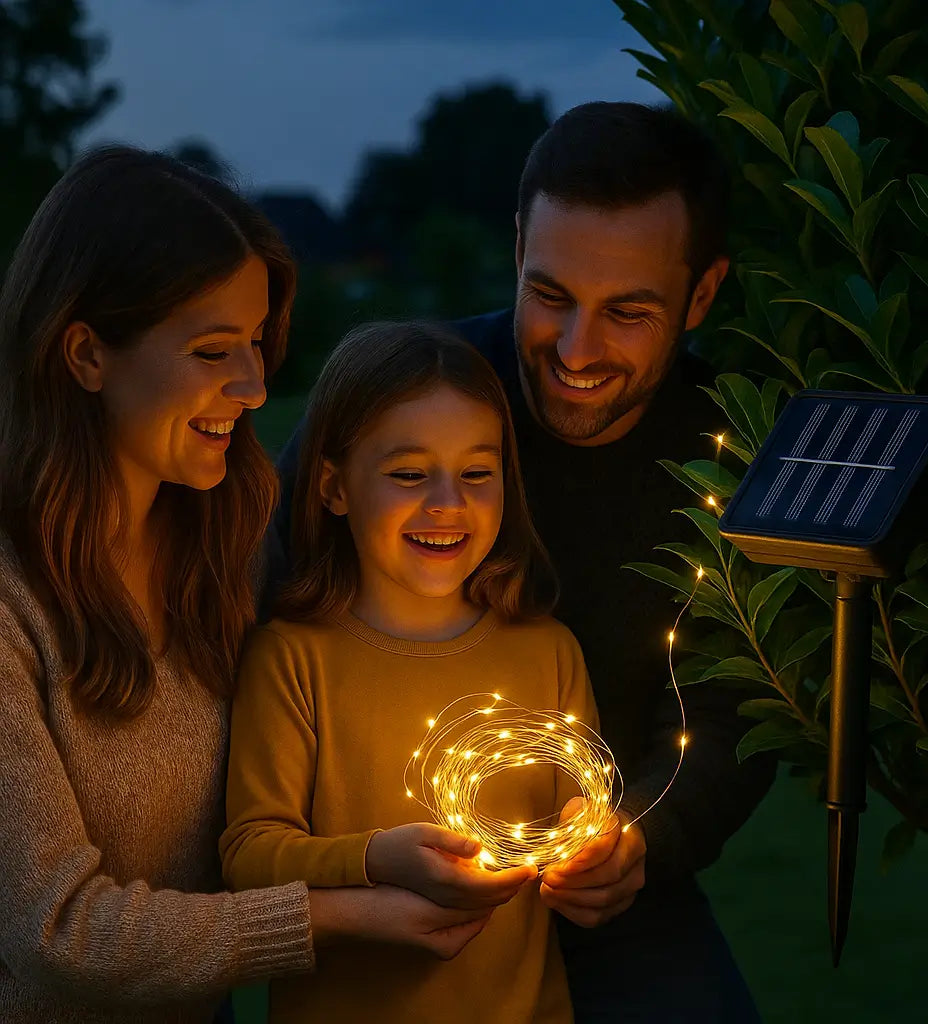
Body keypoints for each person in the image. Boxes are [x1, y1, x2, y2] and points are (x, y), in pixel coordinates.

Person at [273, 102, 776, 1021]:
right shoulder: (412, 399)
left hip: (606, 884)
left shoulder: (735, 454)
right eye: (550, 296)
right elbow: (257, 587)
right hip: (378, 874)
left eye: (627, 311)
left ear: (702, 296)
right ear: (517, 245)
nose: (576, 351)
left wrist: (643, 844)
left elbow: (737, 713)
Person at [0, 147, 498, 1024]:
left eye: (259, 342)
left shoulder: (229, 552)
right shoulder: (12, 606)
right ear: (84, 353)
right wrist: (341, 914)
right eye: (210, 349)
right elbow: (58, 935)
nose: (256, 385)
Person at [220, 321, 604, 1022]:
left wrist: (598, 855)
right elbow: (249, 854)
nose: (447, 503)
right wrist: (375, 859)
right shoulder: (293, 659)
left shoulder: (548, 652)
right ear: (334, 487)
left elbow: (578, 822)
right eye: (408, 473)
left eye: (476, 474)